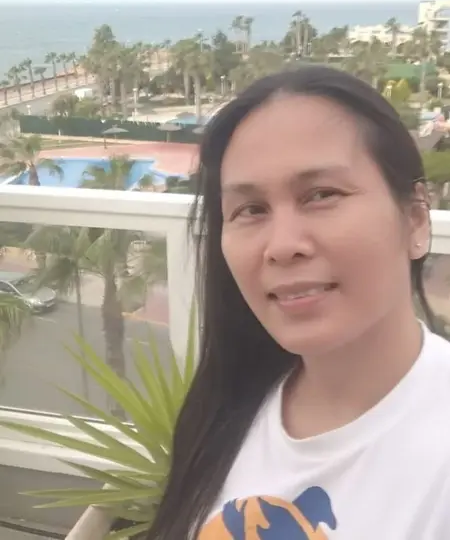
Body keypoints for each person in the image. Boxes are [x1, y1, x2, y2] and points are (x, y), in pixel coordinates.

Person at [146, 66, 450, 539]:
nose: (283, 245)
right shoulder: (226, 407)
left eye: (321, 195)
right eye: (251, 210)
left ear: (414, 219)